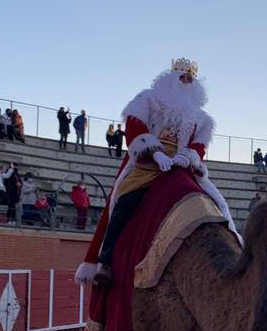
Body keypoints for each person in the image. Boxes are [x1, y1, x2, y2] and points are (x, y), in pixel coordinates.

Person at [75, 58, 235, 285]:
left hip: (181, 165)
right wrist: (155, 153)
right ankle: (106, 260)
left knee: (214, 203)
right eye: (182, 77)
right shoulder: (148, 99)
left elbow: (199, 146)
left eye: (190, 78)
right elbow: (134, 127)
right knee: (126, 200)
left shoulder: (201, 118)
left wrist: (187, 156)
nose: (186, 82)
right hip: (147, 161)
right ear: (170, 78)